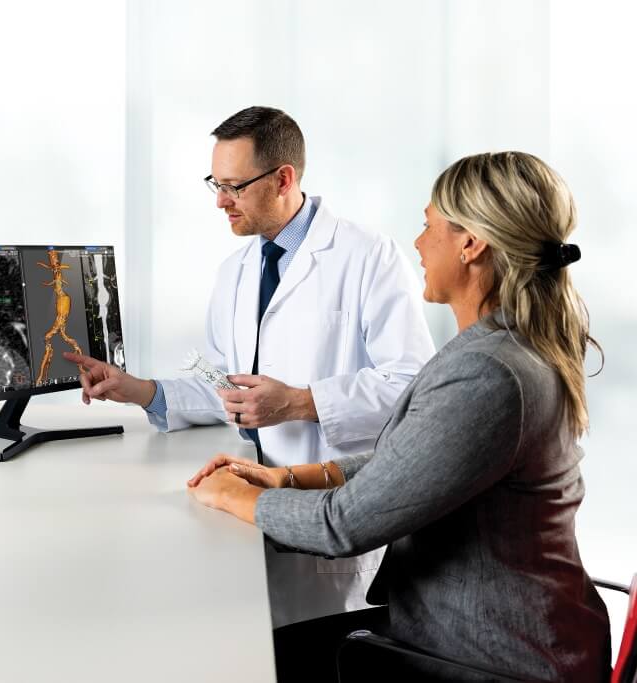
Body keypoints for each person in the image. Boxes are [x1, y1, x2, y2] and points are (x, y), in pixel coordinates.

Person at [188, 151, 611, 682]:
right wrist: (287, 477)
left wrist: (233, 495)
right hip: (488, 634)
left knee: (248, 663)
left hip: (485, 656)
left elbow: (342, 525)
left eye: (428, 225)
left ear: (471, 244)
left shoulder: (490, 374)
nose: (417, 243)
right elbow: (414, 456)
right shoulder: (503, 349)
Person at [64, 106, 435, 628]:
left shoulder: (369, 257)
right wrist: (141, 390)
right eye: (215, 184)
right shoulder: (237, 269)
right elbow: (225, 383)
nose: (220, 201)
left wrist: (299, 402)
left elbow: (413, 391)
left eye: (234, 186)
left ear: (284, 179)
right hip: (246, 504)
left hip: (326, 516)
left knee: (313, 657)